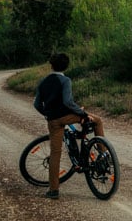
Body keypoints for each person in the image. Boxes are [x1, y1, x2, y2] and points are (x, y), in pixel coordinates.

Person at [33, 52, 105, 199]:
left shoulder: (43, 82)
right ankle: (102, 155)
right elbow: (67, 102)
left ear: (51, 66)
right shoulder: (65, 80)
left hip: (53, 120)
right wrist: (82, 113)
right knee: (96, 120)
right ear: (66, 66)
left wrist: (47, 114)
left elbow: (36, 104)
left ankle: (53, 190)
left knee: (55, 154)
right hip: (68, 117)